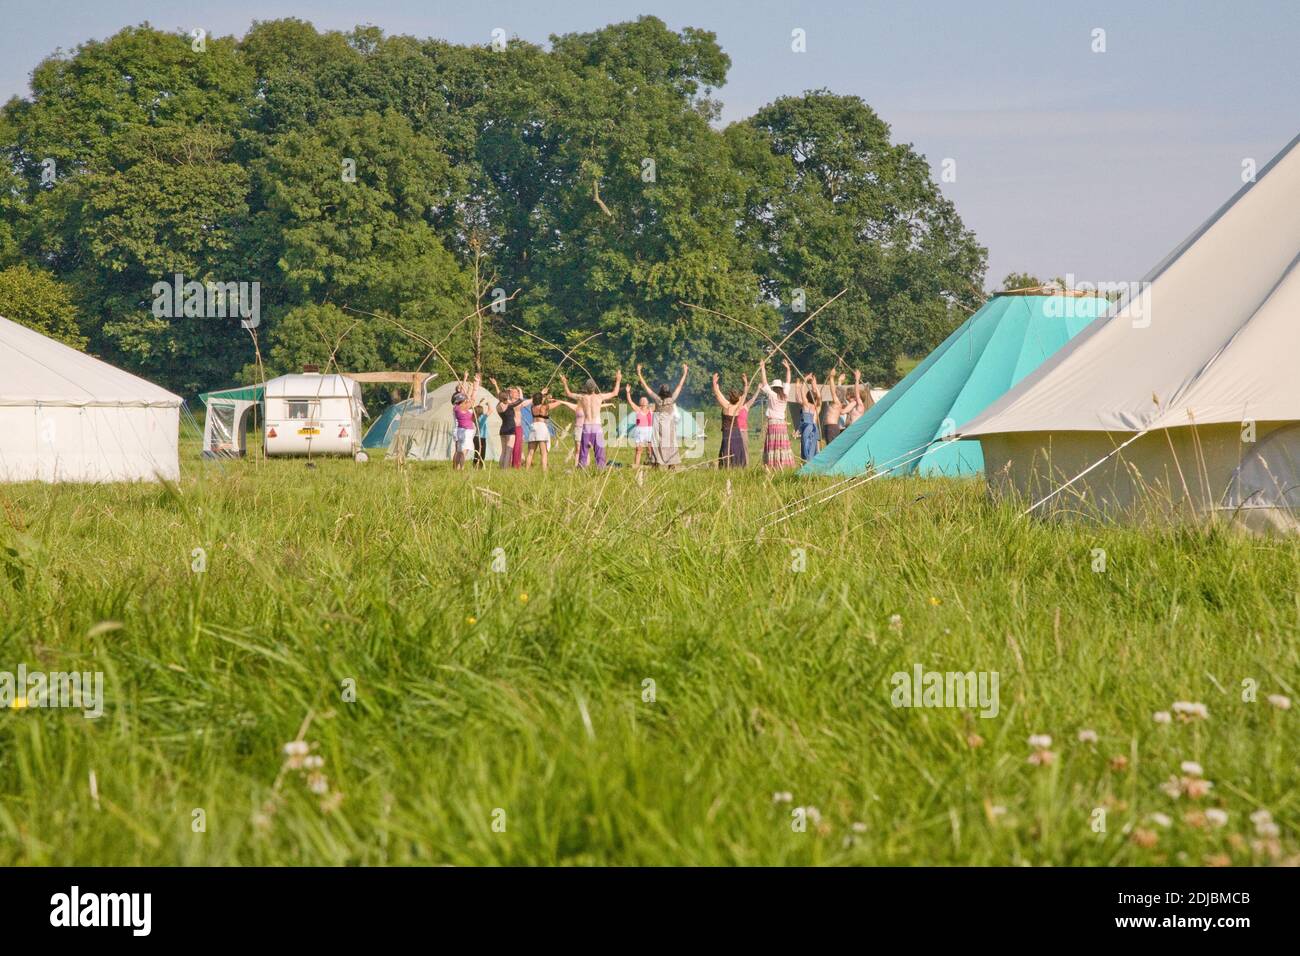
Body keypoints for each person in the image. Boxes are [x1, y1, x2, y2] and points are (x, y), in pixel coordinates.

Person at [563, 369, 622, 468]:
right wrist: (618, 380)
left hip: (586, 426)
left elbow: (568, 393)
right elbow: (615, 393)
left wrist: (564, 382)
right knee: (599, 451)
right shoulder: (599, 397)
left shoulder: (582, 397)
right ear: (595, 388)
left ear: (586, 388)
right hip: (597, 427)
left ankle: (582, 468)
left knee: (584, 451)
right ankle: (601, 469)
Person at [637, 363, 688, 469]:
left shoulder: (657, 399)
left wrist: (639, 373)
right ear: (668, 392)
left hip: (658, 427)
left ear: (660, 392)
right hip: (669, 427)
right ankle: (671, 465)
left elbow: (646, 387)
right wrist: (685, 372)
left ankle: (656, 464)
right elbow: (679, 386)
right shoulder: (671, 400)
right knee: (671, 444)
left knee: (657, 444)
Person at [758, 359, 795, 470]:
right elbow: (788, 381)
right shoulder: (785, 395)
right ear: (781, 388)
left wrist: (762, 368)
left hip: (773, 423)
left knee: (773, 444)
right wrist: (788, 369)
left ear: (774, 387)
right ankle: (782, 464)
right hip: (782, 423)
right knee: (781, 444)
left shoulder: (772, 394)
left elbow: (764, 382)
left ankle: (773, 464)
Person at [711, 372, 750, 468]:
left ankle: (726, 466)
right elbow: (745, 394)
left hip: (727, 431)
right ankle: (738, 465)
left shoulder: (726, 406)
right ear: (738, 399)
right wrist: (745, 383)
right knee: (737, 448)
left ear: (730, 397)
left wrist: (714, 383)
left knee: (727, 448)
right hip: (736, 431)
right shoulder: (738, 406)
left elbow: (717, 394)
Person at [490, 379, 525, 469]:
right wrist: (520, 390)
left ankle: (501, 467)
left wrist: (496, 385)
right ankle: (505, 469)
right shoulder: (509, 406)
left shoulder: (498, 406)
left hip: (502, 429)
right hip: (510, 429)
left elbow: (500, 395)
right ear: (506, 398)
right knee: (509, 451)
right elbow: (521, 399)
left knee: (503, 451)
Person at [450, 373, 480, 471]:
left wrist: (468, 382)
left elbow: (465, 396)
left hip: (459, 430)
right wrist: (476, 384)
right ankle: (461, 468)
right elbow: (472, 398)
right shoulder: (463, 407)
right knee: (463, 452)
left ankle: (456, 469)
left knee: (459, 451)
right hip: (466, 431)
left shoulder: (456, 408)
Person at [525, 389, 561, 471]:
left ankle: (527, 470)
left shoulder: (532, 407)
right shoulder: (544, 407)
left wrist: (544, 396)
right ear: (541, 399)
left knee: (530, 452)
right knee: (544, 452)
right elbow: (558, 403)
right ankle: (544, 471)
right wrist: (552, 400)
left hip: (533, 427)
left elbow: (537, 400)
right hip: (541, 428)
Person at [625, 385, 655, 468]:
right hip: (639, 431)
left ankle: (651, 463)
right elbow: (630, 402)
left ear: (647, 402)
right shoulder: (638, 409)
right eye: (642, 400)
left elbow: (658, 401)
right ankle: (636, 465)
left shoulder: (651, 409)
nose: (644, 400)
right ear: (640, 402)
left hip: (649, 430)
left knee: (650, 449)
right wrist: (628, 392)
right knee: (639, 449)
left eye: (645, 400)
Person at [796, 372, 821, 463]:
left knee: (806, 446)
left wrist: (805, 380)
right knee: (813, 446)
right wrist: (815, 385)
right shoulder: (815, 406)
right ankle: (812, 461)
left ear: (807, 397)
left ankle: (807, 462)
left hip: (807, 427)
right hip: (814, 428)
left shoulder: (806, 404)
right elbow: (819, 396)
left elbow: (802, 391)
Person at [821, 368, 845, 446]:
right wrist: (839, 381)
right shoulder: (838, 402)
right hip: (830, 427)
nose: (836, 391)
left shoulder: (837, 402)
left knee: (831, 446)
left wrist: (831, 377)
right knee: (830, 446)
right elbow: (838, 391)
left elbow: (833, 391)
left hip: (832, 427)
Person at [473, 401, 490, 468]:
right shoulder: (483, 417)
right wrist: (488, 404)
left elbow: (476, 410)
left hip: (476, 437)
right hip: (481, 438)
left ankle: (475, 466)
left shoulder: (475, 417)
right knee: (482, 454)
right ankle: (480, 467)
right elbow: (490, 410)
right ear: (481, 411)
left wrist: (479, 402)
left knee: (476, 453)